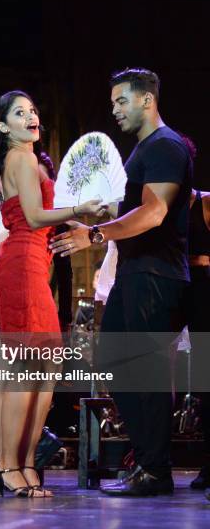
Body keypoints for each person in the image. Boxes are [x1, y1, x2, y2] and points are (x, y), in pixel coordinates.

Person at [50, 68, 192, 496]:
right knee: (115, 361)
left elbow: (154, 214)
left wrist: (93, 236)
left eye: (121, 101)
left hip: (155, 274)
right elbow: (133, 212)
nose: (114, 110)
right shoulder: (144, 150)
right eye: (112, 103)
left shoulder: (165, 145)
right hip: (135, 271)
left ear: (146, 100)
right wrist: (93, 219)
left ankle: (155, 470)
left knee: (143, 371)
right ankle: (149, 462)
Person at [0, 90, 104, 497]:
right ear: (3, 126)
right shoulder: (21, 158)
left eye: (33, 111)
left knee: (45, 371)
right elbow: (34, 216)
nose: (31, 117)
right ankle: (8, 464)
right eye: (20, 112)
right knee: (25, 372)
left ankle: (26, 462)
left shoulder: (29, 161)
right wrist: (80, 210)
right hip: (21, 263)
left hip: (33, 264)